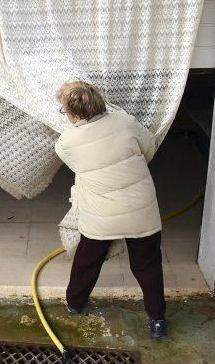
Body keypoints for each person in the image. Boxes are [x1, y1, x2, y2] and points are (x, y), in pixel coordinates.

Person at [54, 81, 167, 340]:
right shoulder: (126, 122)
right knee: (147, 265)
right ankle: (158, 320)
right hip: (141, 210)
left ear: (73, 113)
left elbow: (78, 166)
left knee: (87, 261)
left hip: (101, 216)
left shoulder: (66, 143)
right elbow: (147, 150)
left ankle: (74, 303)